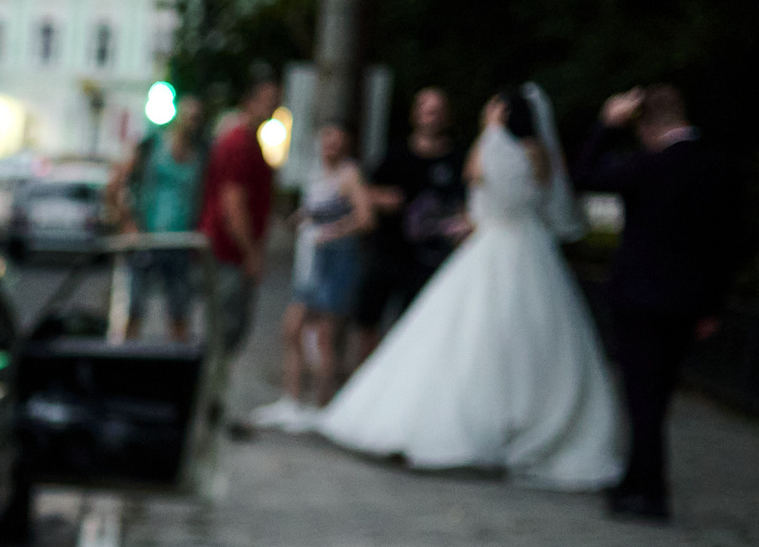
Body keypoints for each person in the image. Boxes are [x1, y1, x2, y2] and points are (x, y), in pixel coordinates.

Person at [259, 86, 622, 491]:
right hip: (532, 251)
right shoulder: (540, 155)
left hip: (491, 248)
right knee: (529, 343)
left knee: (464, 340)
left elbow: (476, 189)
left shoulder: (487, 147)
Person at [574, 83, 734, 522]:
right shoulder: (714, 166)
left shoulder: (649, 166)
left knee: (641, 398)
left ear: (645, 125)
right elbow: (724, 245)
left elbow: (585, 176)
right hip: (686, 304)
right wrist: (712, 307)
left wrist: (607, 126)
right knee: (657, 398)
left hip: (641, 301)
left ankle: (649, 490)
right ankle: (637, 479)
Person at [352, 86, 470, 372]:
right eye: (426, 109)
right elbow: (364, 191)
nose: (431, 116)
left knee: (412, 326)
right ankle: (366, 379)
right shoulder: (396, 155)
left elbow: (466, 208)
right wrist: (383, 199)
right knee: (367, 319)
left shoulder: (456, 161)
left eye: (437, 110)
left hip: (427, 261)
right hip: (388, 252)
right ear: (415, 114)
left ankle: (401, 377)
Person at [263, 124, 375, 418]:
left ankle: (324, 406)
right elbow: (314, 212)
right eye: (327, 141)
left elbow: (365, 218)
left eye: (338, 142)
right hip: (310, 263)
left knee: (324, 336)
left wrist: (334, 232)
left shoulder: (349, 174)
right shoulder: (315, 174)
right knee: (293, 330)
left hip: (334, 264)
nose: (331, 147)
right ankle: (294, 400)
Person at [197, 75, 282, 360]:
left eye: (275, 104)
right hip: (228, 255)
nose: (271, 110)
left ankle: (212, 395)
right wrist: (251, 253)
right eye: (267, 102)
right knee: (223, 334)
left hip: (228, 253)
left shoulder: (246, 142)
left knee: (226, 333)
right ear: (249, 102)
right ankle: (209, 398)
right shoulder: (240, 144)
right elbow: (233, 205)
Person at [107, 111, 206, 341]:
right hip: (146, 239)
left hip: (180, 243)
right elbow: (115, 184)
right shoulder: (153, 147)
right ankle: (126, 361)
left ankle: (179, 367)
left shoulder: (200, 156)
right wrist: (128, 223)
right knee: (134, 308)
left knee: (180, 310)